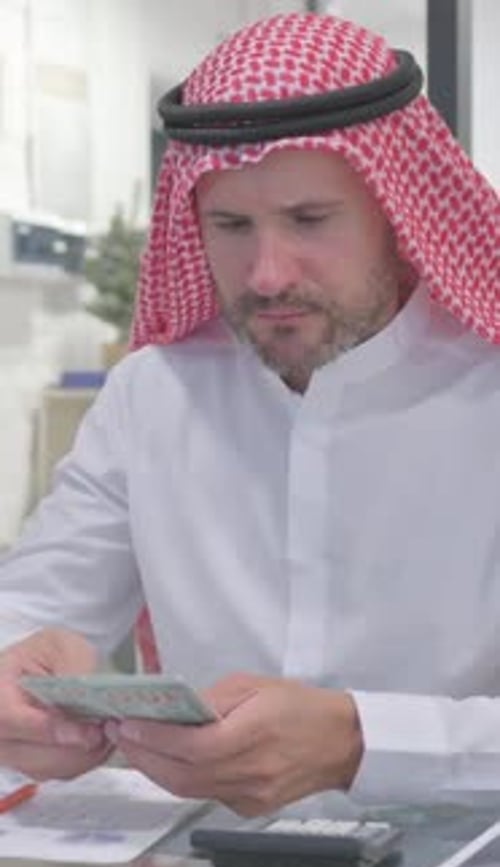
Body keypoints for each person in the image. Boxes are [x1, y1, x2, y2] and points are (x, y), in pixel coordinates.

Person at [0, 12, 499, 818]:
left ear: (397, 214)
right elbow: (32, 606)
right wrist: (14, 683)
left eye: (310, 221)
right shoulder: (152, 396)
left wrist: (363, 741)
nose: (267, 275)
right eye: (230, 226)